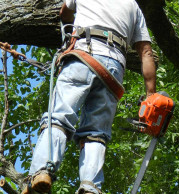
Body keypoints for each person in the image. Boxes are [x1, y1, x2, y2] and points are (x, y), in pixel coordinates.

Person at [21, 0, 156, 193]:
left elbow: (64, 13)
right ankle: (90, 187)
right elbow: (146, 52)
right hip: (113, 70)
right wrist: (151, 96)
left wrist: (71, 28)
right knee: (96, 133)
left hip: (84, 54)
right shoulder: (133, 6)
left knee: (59, 117)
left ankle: (42, 170)